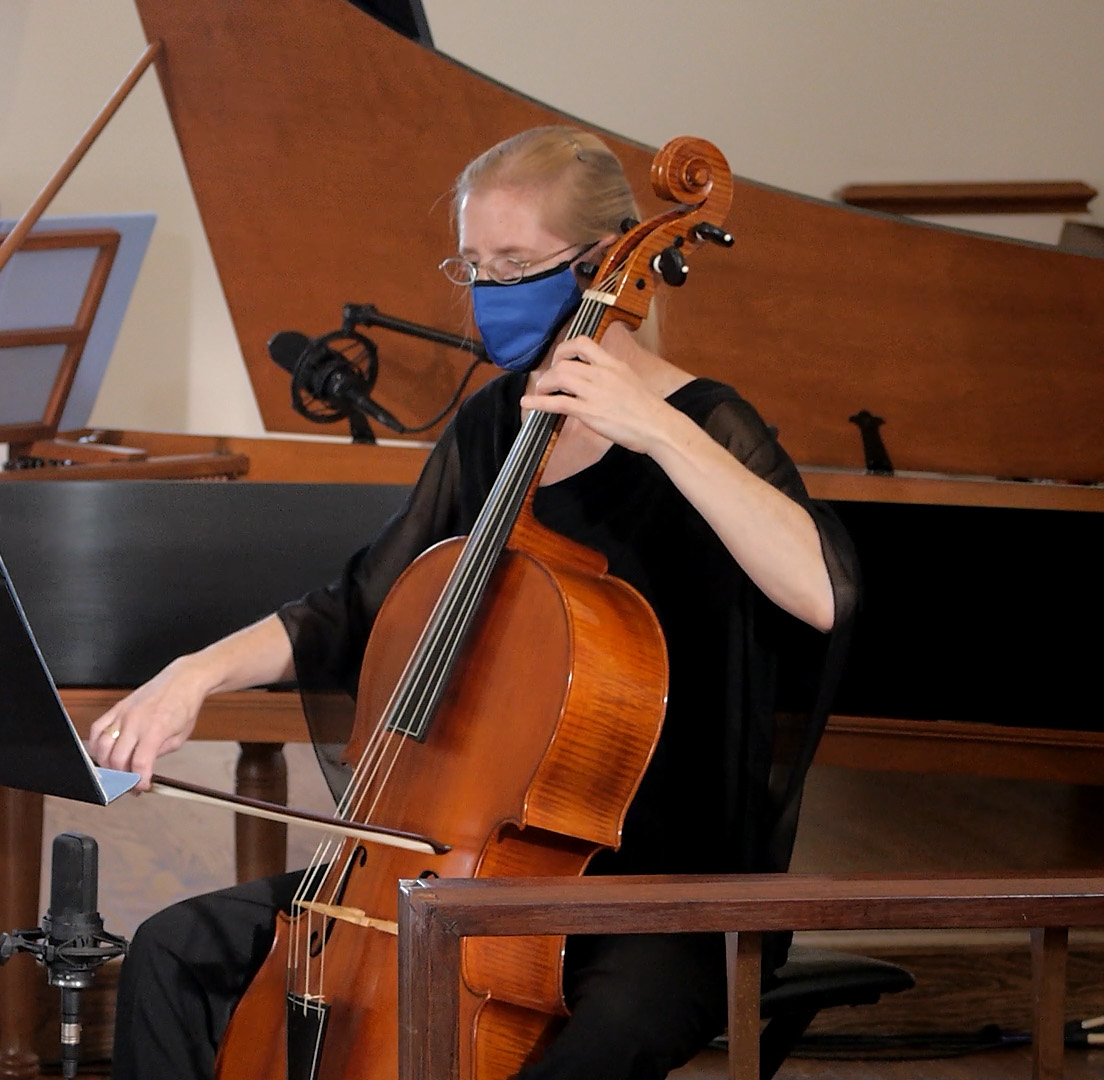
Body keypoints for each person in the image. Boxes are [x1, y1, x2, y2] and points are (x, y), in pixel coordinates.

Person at [87, 126, 860, 1080]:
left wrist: (656, 429)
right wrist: (193, 676)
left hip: (657, 895)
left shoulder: (706, 424)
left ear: (600, 262)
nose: (490, 290)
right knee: (174, 952)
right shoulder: (495, 425)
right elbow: (355, 608)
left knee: (591, 1053)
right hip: (468, 867)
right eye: (476, 266)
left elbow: (826, 593)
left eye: (517, 265)